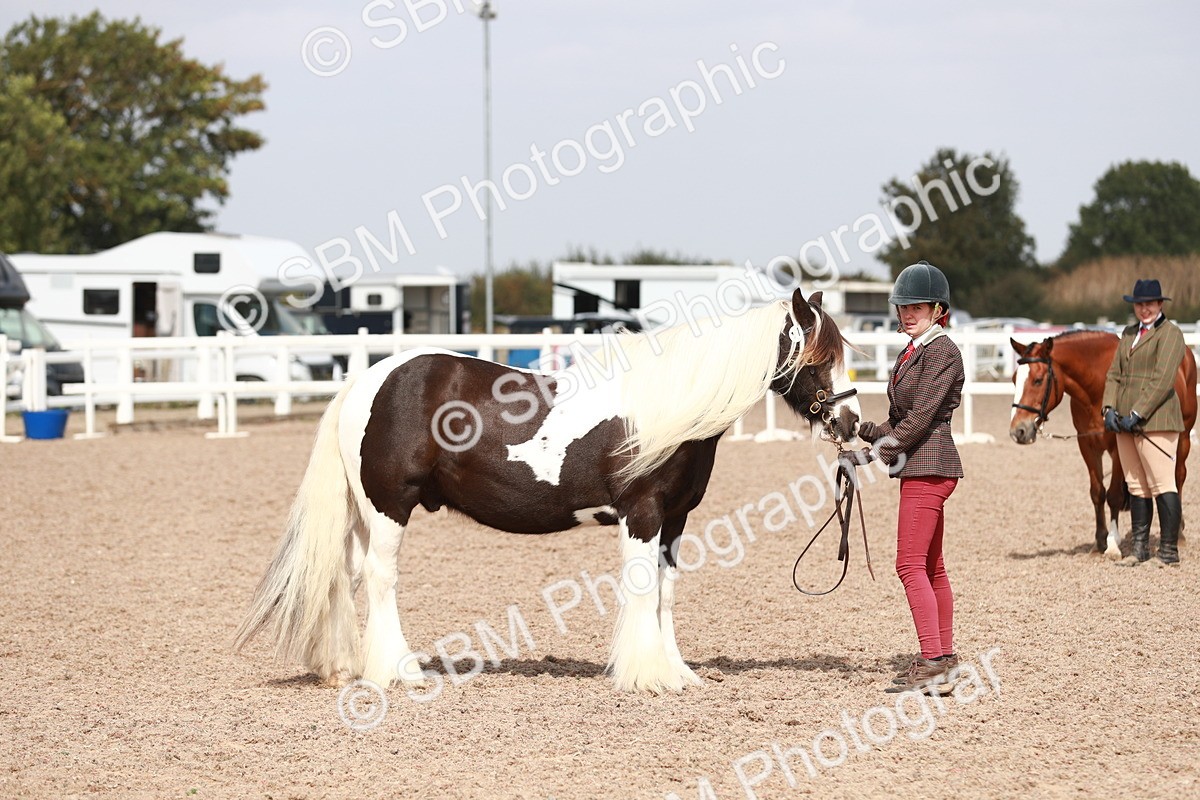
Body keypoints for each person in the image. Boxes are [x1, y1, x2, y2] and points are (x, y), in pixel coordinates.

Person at [852, 260, 965, 694]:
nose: (907, 313)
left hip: (929, 466)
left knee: (908, 565)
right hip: (919, 465)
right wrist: (862, 429)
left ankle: (933, 661)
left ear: (938, 308)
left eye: (917, 306)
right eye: (903, 306)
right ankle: (946, 658)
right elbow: (900, 420)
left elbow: (919, 421)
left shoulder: (942, 351)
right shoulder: (913, 351)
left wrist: (870, 455)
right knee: (932, 566)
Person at [1102, 279, 1186, 567]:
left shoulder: (1171, 334)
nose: (1144, 309)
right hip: (1124, 422)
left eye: (1150, 303)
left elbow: (1162, 380)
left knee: (1162, 482)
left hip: (1156, 420)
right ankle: (1139, 549)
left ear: (1160, 304)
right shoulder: (1128, 333)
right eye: (1140, 304)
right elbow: (1114, 374)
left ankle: (1168, 552)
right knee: (1136, 485)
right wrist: (1109, 408)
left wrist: (1138, 413)